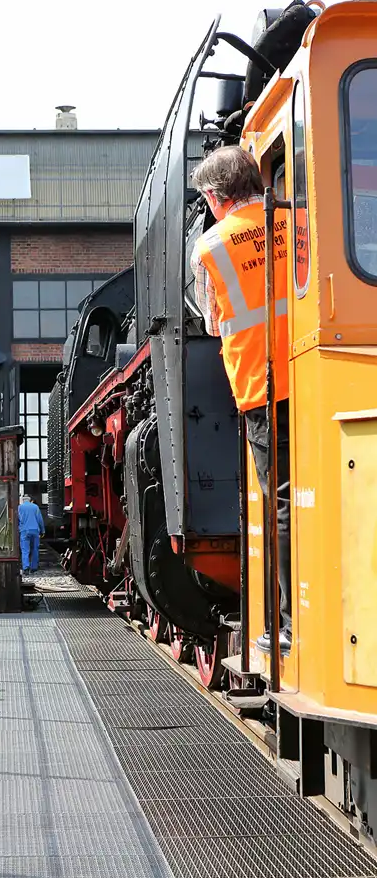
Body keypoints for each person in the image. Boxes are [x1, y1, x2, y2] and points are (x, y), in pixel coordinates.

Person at [190, 145, 291, 654]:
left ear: (215, 196)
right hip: (313, 369)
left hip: (262, 384)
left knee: (281, 502)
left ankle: (288, 624)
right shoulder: (297, 220)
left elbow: (211, 322)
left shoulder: (209, 247)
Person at [18, 494, 45, 577]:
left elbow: (17, 519)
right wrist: (43, 530)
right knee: (35, 549)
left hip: (24, 531)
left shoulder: (20, 507)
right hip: (35, 530)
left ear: (23, 500)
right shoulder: (35, 507)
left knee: (25, 550)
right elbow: (40, 520)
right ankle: (34, 567)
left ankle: (26, 568)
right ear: (30, 500)